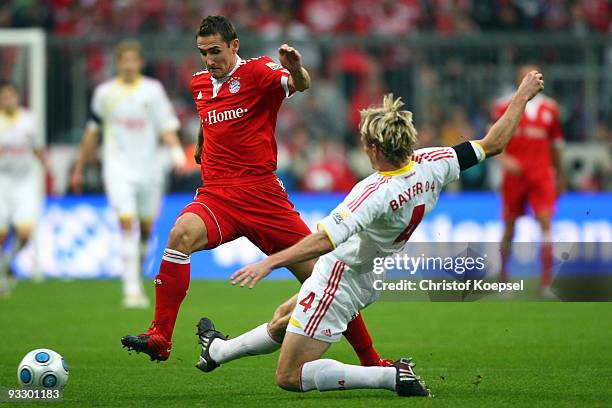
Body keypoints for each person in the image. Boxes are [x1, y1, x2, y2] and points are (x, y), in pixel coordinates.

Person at [222, 71, 544, 397]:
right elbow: (494, 143)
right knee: (281, 319)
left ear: (375, 149)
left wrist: (270, 262)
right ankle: (218, 352)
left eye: (364, 144)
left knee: (289, 376)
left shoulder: (374, 193)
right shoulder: (433, 162)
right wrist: (522, 95)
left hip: (339, 278)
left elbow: (324, 240)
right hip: (370, 275)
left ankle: (388, 377)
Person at [121, 16, 387, 368]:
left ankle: (370, 361)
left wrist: (297, 70)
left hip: (263, 197)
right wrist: (202, 145)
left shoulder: (259, 72)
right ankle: (160, 337)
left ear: (234, 45)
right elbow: (206, 117)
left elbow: (300, 84)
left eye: (215, 51)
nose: (209, 60)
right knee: (180, 234)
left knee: (324, 277)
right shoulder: (199, 83)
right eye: (203, 53)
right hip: (217, 195)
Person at [71, 40, 184, 308]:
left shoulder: (153, 91)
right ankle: (131, 288)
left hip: (149, 168)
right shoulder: (105, 93)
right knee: (126, 224)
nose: (129, 65)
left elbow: (166, 126)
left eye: (133, 60)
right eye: (124, 60)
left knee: (146, 229)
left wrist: (177, 152)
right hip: (118, 168)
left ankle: (138, 267)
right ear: (118, 63)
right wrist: (79, 167)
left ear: (140, 63)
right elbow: (92, 132)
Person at [492, 64, 566, 296]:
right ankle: (504, 279)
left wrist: (560, 175)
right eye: (528, 76)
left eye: (537, 76)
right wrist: (505, 160)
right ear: (520, 80)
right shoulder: (505, 106)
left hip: (541, 173)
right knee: (510, 228)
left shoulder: (550, 109)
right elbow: (493, 138)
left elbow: (556, 146)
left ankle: (545, 283)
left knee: (545, 224)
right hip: (515, 177)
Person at [0, 81, 46, 296]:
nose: (7, 99)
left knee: (25, 234)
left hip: (25, 181)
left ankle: (5, 266)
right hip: (2, 180)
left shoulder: (29, 120)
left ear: (17, 97)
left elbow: (38, 149)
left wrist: (47, 170)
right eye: (3, 96)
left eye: (10, 95)